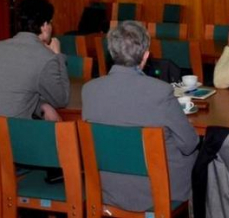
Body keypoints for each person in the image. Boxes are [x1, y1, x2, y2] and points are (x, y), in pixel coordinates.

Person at [81, 21, 199, 212]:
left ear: (111, 53)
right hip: (157, 192)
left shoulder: (89, 90)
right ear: (145, 56)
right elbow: (190, 143)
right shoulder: (160, 92)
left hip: (107, 189)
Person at [0, 0, 69, 121]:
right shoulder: (46, 57)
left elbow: (14, 92)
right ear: (44, 26)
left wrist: (41, 105)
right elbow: (61, 100)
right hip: (11, 135)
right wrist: (58, 56)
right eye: (50, 22)